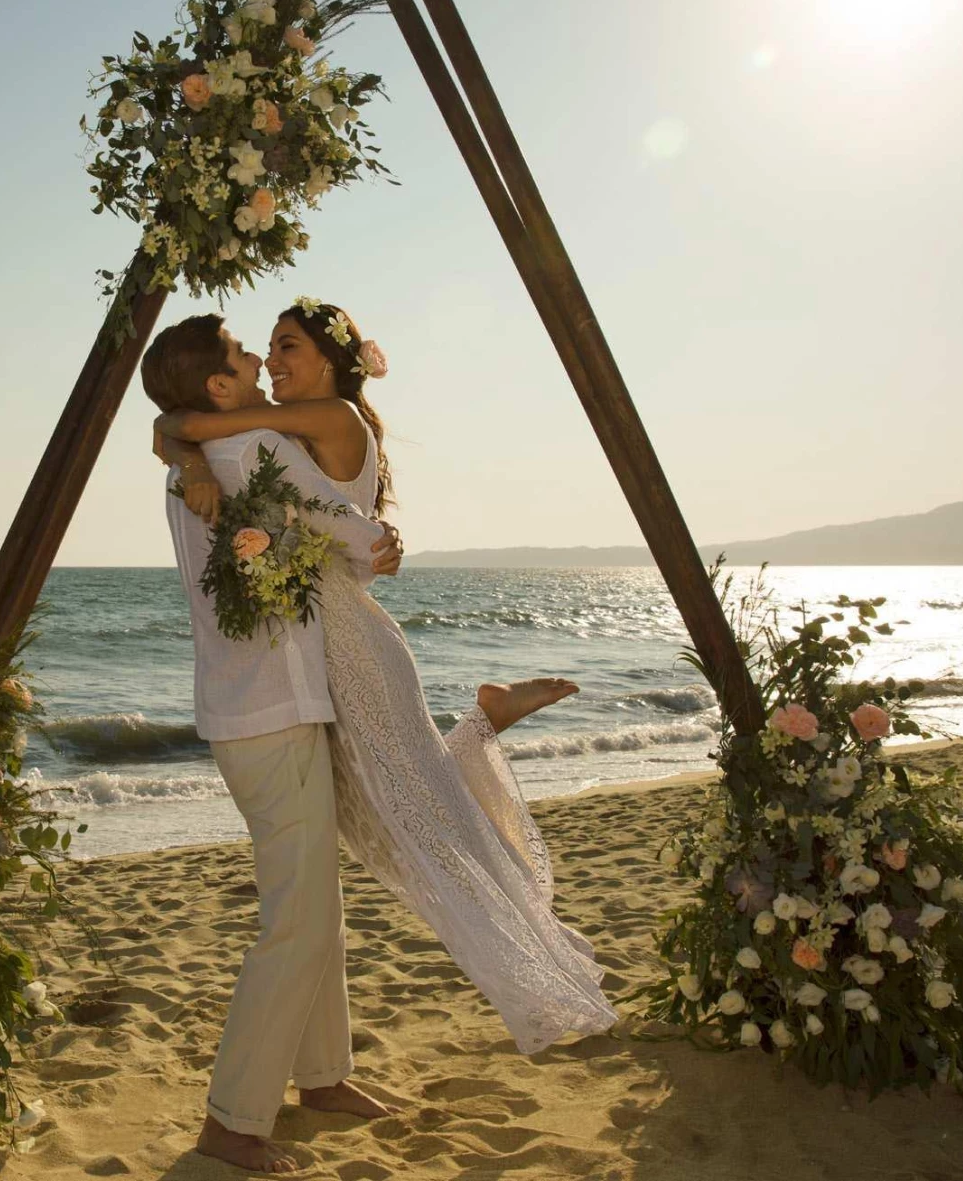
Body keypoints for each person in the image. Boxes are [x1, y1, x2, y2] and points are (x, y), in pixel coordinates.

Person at [154, 301, 619, 1065]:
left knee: (424, 818)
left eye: (285, 346)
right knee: (402, 815)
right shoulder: (274, 428)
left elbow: (240, 458)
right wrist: (182, 443)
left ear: (334, 363)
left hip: (346, 646)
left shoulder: (314, 417)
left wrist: (180, 436)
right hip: (323, 652)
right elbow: (205, 437)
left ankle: (484, 732)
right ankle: (482, 727)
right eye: (261, 348)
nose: (270, 362)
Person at [140, 313, 405, 1175]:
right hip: (273, 708)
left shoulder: (207, 450)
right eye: (244, 352)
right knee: (297, 917)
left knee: (309, 898)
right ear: (221, 386)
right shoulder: (249, 446)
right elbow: (338, 526)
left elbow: (177, 432)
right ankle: (232, 1122)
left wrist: (177, 442)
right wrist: (378, 542)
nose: (258, 354)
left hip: (250, 707)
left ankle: (323, 1076)